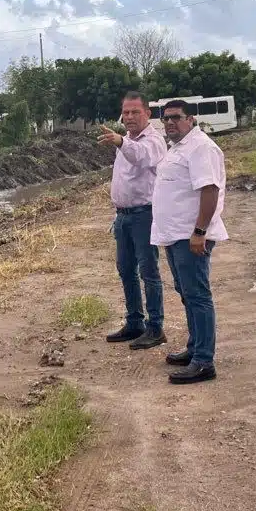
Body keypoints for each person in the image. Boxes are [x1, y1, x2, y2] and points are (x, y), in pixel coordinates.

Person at [151, 100, 228, 385]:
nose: (170, 123)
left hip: (190, 237)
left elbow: (209, 190)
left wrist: (199, 231)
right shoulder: (179, 147)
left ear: (191, 119)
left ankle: (204, 361)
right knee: (186, 293)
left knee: (197, 296)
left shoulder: (201, 148)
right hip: (174, 235)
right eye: (165, 118)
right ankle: (195, 348)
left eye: (176, 118)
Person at [97, 92, 168, 349]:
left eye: (135, 112)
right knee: (126, 270)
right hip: (123, 216)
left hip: (144, 215)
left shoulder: (154, 140)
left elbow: (140, 156)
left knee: (149, 272)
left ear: (147, 113)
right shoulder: (126, 140)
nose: (129, 117)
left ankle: (155, 327)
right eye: (125, 112)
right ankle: (135, 322)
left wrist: (119, 142)